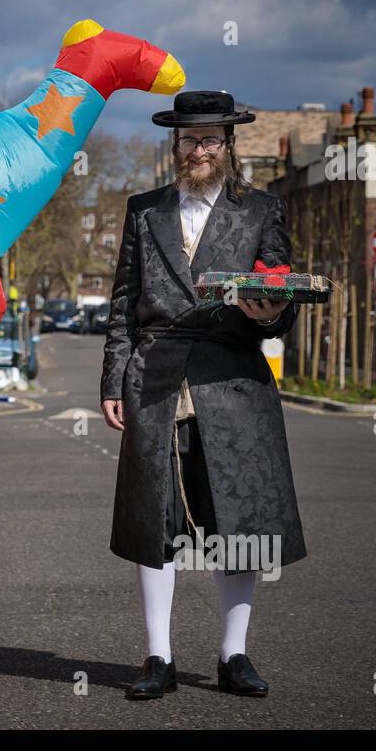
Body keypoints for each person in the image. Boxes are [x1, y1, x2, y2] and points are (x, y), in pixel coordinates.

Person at [100, 90, 308, 701]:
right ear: (175, 143)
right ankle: (158, 656)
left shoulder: (263, 209)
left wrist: (271, 314)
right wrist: (114, 382)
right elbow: (122, 305)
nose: (199, 150)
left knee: (237, 521)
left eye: (210, 140)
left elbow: (280, 294)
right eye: (190, 139)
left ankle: (233, 654)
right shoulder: (144, 210)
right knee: (155, 520)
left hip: (232, 378)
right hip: (157, 376)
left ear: (228, 145)